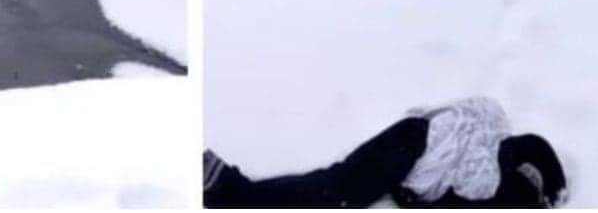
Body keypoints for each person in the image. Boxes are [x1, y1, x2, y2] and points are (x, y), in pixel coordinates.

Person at [203, 97, 567, 209]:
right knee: (338, 190)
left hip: (417, 136)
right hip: (419, 146)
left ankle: (227, 188)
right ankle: (227, 189)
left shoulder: (514, 154)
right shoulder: (502, 184)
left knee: (339, 187)